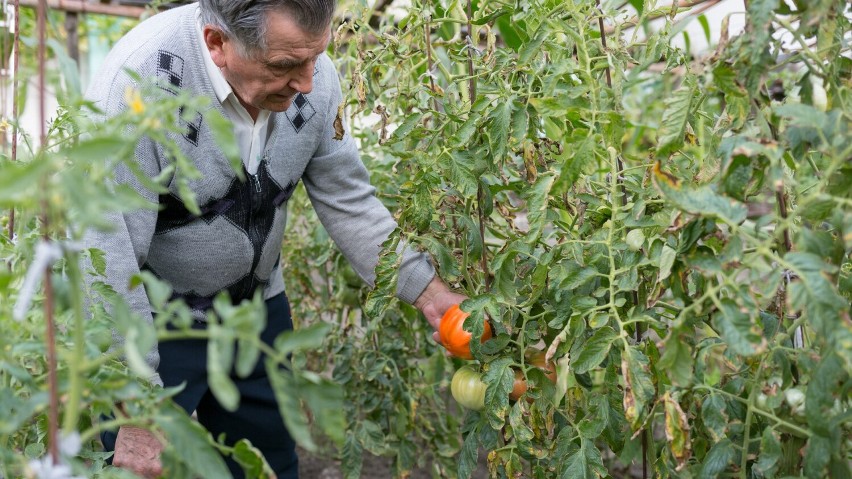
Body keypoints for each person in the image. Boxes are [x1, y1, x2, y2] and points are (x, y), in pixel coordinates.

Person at [83, 1, 464, 477]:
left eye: (315, 57)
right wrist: (134, 406)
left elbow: (348, 199)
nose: (308, 83)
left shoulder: (312, 76)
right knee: (139, 467)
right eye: (285, 65)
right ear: (217, 44)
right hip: (156, 323)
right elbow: (105, 253)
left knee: (268, 466)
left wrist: (432, 295)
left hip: (257, 315)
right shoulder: (137, 88)